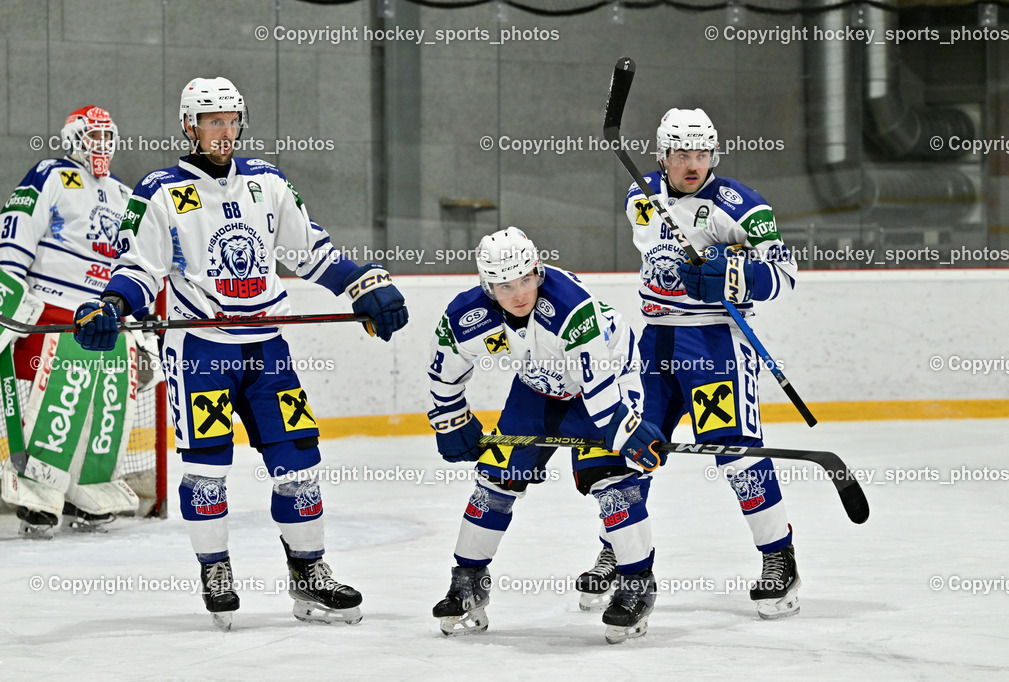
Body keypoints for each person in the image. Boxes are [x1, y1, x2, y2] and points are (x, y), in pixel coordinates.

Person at [72, 76, 409, 630]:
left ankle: (310, 575)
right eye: (212, 122)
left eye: (230, 121)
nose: (223, 132)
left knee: (300, 461)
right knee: (206, 470)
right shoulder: (157, 190)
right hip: (201, 351)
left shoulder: (268, 182)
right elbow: (138, 266)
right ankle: (216, 569)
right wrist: (111, 305)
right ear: (189, 126)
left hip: (267, 348)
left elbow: (311, 252)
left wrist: (363, 285)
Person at [578, 108, 802, 620]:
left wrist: (732, 276)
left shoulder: (740, 205)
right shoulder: (642, 194)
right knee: (631, 447)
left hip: (715, 346)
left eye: (702, 154)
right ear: (663, 156)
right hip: (655, 342)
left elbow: (785, 273)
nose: (693, 164)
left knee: (735, 454)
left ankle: (779, 560)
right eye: (682, 155)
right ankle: (620, 549)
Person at [427, 227, 665, 643]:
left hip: (603, 380)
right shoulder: (466, 315)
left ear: (537, 271)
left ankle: (636, 584)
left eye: (524, 280)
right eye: (504, 285)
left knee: (611, 482)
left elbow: (600, 384)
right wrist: (450, 418)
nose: (518, 293)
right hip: (536, 387)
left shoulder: (572, 308)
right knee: (495, 479)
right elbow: (445, 368)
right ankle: (467, 581)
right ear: (488, 286)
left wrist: (623, 428)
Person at [0, 105, 147, 539]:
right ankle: (38, 496)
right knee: (58, 402)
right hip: (53, 311)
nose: (100, 145)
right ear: (72, 137)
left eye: (107, 137)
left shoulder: (124, 195)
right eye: (92, 136)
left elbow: (139, 259)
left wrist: (144, 317)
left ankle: (88, 487)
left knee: (108, 407)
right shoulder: (49, 174)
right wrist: (8, 291)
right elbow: (17, 229)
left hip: (106, 316)